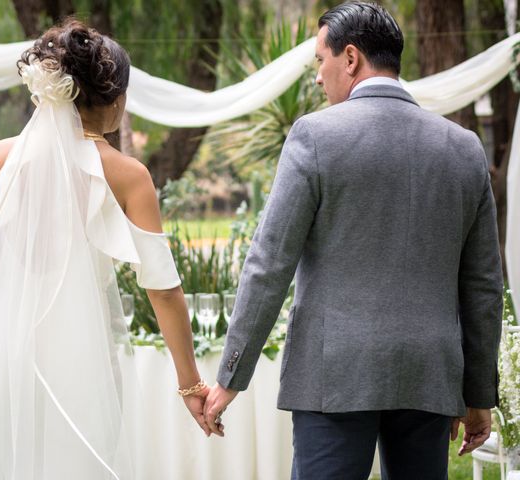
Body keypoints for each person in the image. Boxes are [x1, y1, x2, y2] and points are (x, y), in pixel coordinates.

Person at [203, 3, 503, 479]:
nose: (318, 78)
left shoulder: (315, 137)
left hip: (334, 377)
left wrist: (229, 378)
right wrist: (479, 394)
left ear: (350, 58)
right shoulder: (464, 147)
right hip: (429, 375)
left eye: (320, 62)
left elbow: (269, 264)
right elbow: (484, 284)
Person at [0, 19, 209, 480]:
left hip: (3, 357)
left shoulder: (1, 157)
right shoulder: (129, 175)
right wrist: (190, 385)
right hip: (84, 364)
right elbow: (163, 290)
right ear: (116, 99)